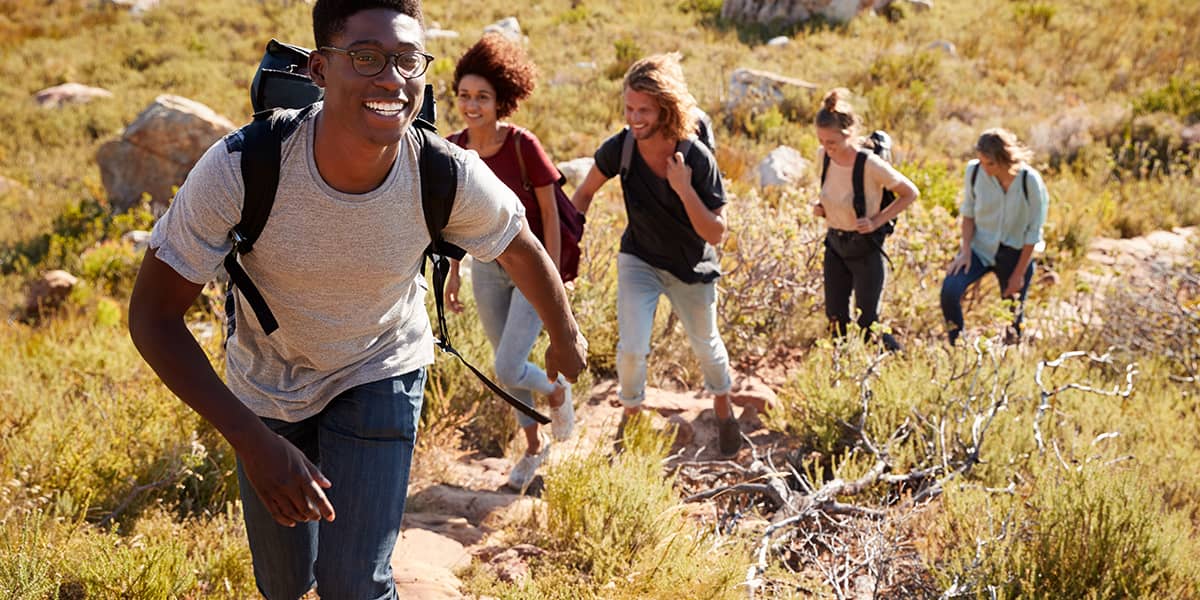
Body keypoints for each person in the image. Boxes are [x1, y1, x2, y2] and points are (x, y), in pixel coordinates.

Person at [126, 1, 587, 598]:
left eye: (407, 60)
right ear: (320, 69)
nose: (392, 79)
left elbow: (520, 246)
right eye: (367, 58)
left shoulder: (443, 172)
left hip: (380, 365)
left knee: (352, 585)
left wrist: (565, 333)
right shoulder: (244, 167)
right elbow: (153, 317)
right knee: (286, 585)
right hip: (267, 386)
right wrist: (252, 441)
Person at [570, 53, 741, 456]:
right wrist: (565, 244)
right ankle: (630, 421)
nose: (634, 118)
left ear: (666, 109)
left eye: (643, 110)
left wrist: (684, 188)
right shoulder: (623, 147)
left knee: (706, 345)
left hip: (691, 268)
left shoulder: (696, 157)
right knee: (631, 347)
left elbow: (716, 234)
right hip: (640, 259)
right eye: (629, 108)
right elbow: (584, 193)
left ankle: (723, 407)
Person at [444, 34, 574, 491]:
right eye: (464, 96)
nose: (472, 105)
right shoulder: (453, 149)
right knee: (507, 365)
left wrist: (553, 277)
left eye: (482, 97)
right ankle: (534, 448)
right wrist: (453, 270)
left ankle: (557, 392)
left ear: (502, 100)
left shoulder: (523, 145)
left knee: (508, 366)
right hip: (485, 269)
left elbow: (552, 218)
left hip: (531, 271)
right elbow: (453, 220)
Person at [811, 88, 919, 351]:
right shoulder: (823, 157)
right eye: (822, 141)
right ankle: (841, 375)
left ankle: (898, 362)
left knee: (868, 324)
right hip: (835, 245)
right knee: (836, 320)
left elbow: (909, 193)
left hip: (865, 249)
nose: (827, 148)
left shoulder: (870, 164)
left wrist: (877, 220)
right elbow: (832, 191)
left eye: (832, 142)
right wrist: (822, 207)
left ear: (849, 135)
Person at [940, 128, 1048, 345]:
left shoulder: (1030, 181)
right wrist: (965, 251)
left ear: (1005, 159)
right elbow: (968, 214)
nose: (984, 167)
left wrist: (1018, 275)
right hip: (980, 249)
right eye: (980, 161)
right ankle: (958, 346)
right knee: (950, 291)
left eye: (989, 163)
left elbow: (1034, 232)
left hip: (1016, 254)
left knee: (1012, 318)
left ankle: (1011, 361)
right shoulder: (974, 172)